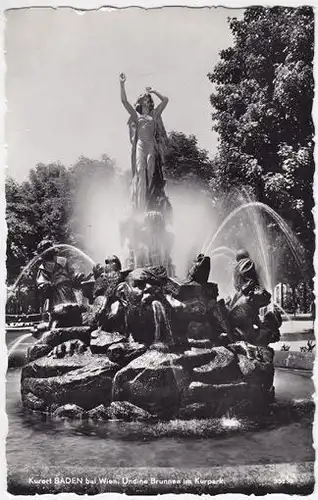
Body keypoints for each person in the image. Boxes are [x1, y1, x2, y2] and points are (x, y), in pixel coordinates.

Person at [119, 72, 169, 212]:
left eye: (149, 99)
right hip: (140, 146)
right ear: (140, 103)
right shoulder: (136, 116)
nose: (147, 101)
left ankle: (149, 203)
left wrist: (153, 91)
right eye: (145, 99)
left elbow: (165, 100)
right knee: (141, 172)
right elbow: (124, 101)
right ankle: (140, 208)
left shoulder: (154, 114)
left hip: (151, 146)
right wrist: (122, 84)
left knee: (150, 173)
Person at [36, 239, 80, 312]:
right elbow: (41, 281)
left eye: (49, 248)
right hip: (54, 294)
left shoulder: (63, 261)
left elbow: (72, 273)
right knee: (57, 312)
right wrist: (44, 285)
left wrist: (77, 276)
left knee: (72, 309)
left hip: (67, 290)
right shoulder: (43, 267)